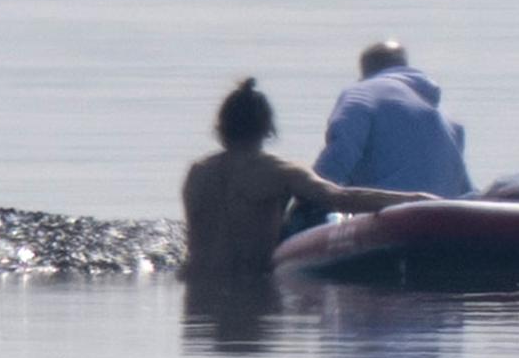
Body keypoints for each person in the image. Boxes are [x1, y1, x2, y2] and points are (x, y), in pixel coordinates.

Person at [182, 78, 434, 279]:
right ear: (268, 128)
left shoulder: (197, 172)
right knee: (309, 210)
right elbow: (340, 198)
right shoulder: (279, 172)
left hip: (194, 287)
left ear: (220, 127)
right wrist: (417, 200)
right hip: (250, 283)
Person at [314, 41, 472, 197]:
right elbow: (464, 188)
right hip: (442, 214)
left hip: (387, 213)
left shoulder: (362, 93)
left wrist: (307, 193)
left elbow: (341, 153)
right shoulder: (449, 121)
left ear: (364, 69)